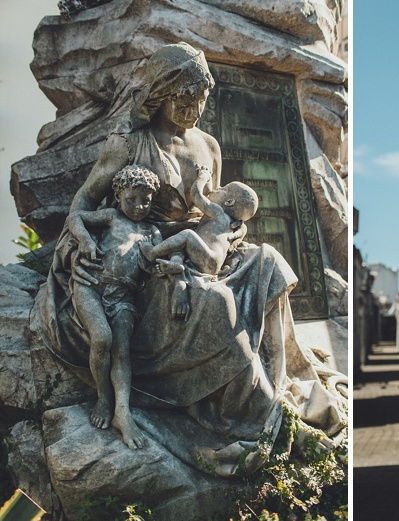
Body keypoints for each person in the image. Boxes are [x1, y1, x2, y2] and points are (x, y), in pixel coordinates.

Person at [33, 42, 346, 476]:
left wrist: (232, 231)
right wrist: (82, 245)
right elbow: (84, 201)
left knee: (269, 260)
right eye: (184, 99)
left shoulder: (208, 146)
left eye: (201, 99)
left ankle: (275, 378)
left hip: (200, 249)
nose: (194, 109)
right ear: (159, 95)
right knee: (217, 304)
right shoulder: (129, 143)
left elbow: (213, 208)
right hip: (149, 260)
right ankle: (252, 410)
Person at [68, 165, 161, 449]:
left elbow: (158, 262)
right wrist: (84, 239)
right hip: (91, 287)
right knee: (102, 338)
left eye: (145, 200)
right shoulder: (110, 217)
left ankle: (123, 411)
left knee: (121, 347)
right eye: (131, 199)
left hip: (123, 297)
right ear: (118, 197)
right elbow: (76, 217)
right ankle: (104, 398)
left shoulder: (152, 231)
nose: (138, 206)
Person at [139, 166, 258, 319]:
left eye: (223, 189)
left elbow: (196, 195)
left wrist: (203, 176)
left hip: (208, 258)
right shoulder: (231, 223)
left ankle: (151, 252)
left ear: (229, 201)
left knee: (187, 236)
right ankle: (177, 267)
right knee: (179, 247)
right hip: (212, 263)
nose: (218, 188)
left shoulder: (218, 212)